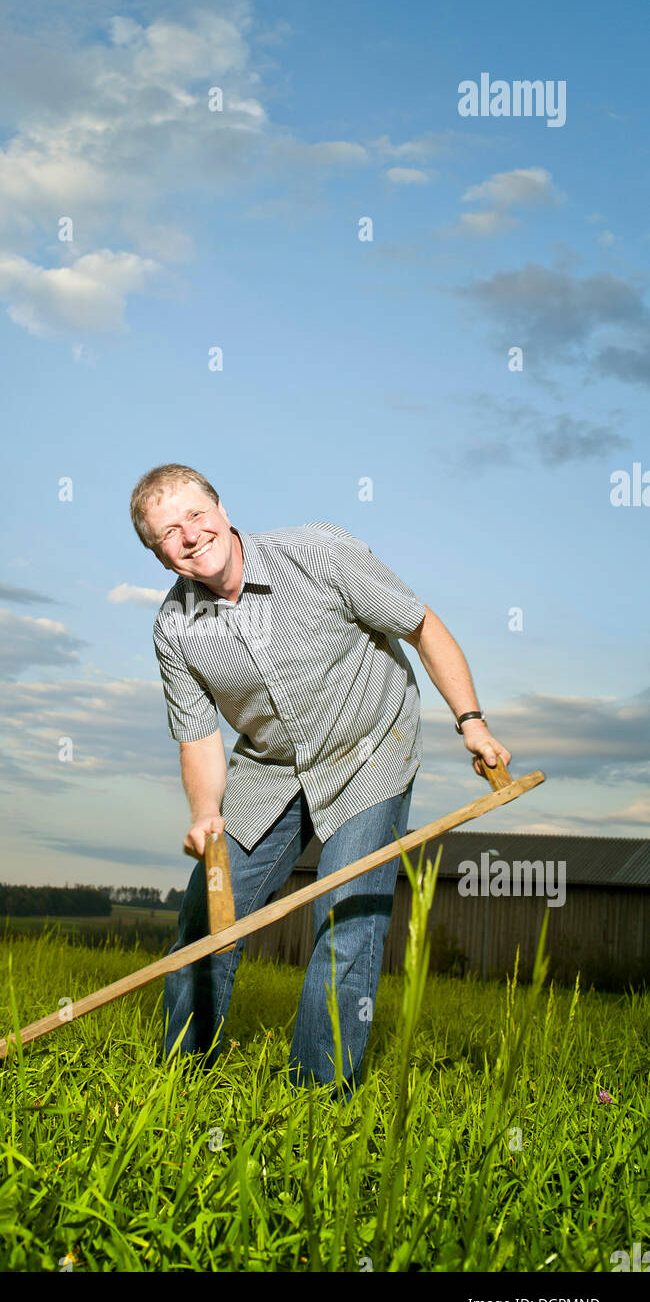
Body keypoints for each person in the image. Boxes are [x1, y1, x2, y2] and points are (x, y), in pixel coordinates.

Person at [129, 462, 511, 1101]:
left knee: (348, 917)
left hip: (369, 747)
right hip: (271, 766)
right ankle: (176, 1090)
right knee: (206, 918)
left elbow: (421, 626)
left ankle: (315, 1100)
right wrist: (205, 814)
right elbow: (198, 737)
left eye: (196, 515)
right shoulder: (175, 628)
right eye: (169, 532)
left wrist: (470, 720)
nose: (191, 534)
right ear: (161, 557)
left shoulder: (318, 553)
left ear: (221, 510)